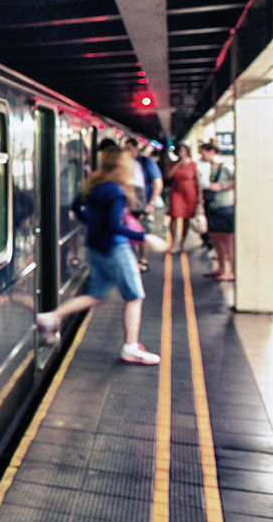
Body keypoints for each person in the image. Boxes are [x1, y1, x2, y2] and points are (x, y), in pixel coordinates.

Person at [36, 146, 166, 364]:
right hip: (115, 249)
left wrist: (91, 224)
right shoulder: (116, 191)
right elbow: (114, 226)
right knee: (135, 297)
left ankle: (51, 316)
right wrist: (145, 237)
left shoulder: (94, 184)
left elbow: (77, 206)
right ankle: (131, 347)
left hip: (94, 248)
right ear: (122, 165)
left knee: (98, 295)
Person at [124, 138, 163, 272]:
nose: (127, 152)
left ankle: (143, 259)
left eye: (129, 148)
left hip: (143, 204)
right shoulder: (125, 164)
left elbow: (157, 183)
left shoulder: (146, 162)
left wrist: (151, 203)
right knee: (130, 231)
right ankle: (132, 260)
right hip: (128, 206)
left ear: (136, 149)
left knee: (143, 230)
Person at [199, 140, 235, 281]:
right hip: (215, 205)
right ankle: (221, 267)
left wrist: (223, 187)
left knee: (228, 241)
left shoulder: (226, 166)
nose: (202, 156)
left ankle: (231, 271)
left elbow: (238, 180)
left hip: (225, 206)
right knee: (216, 238)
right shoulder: (212, 166)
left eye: (203, 153)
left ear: (212, 152)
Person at [163, 143, 200, 253]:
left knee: (186, 218)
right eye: (179, 151)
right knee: (174, 215)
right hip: (176, 192)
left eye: (183, 151)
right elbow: (167, 176)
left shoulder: (193, 165)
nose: (181, 153)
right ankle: (173, 242)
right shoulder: (172, 163)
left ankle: (183, 242)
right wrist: (177, 165)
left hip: (189, 193)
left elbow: (198, 181)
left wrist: (200, 196)